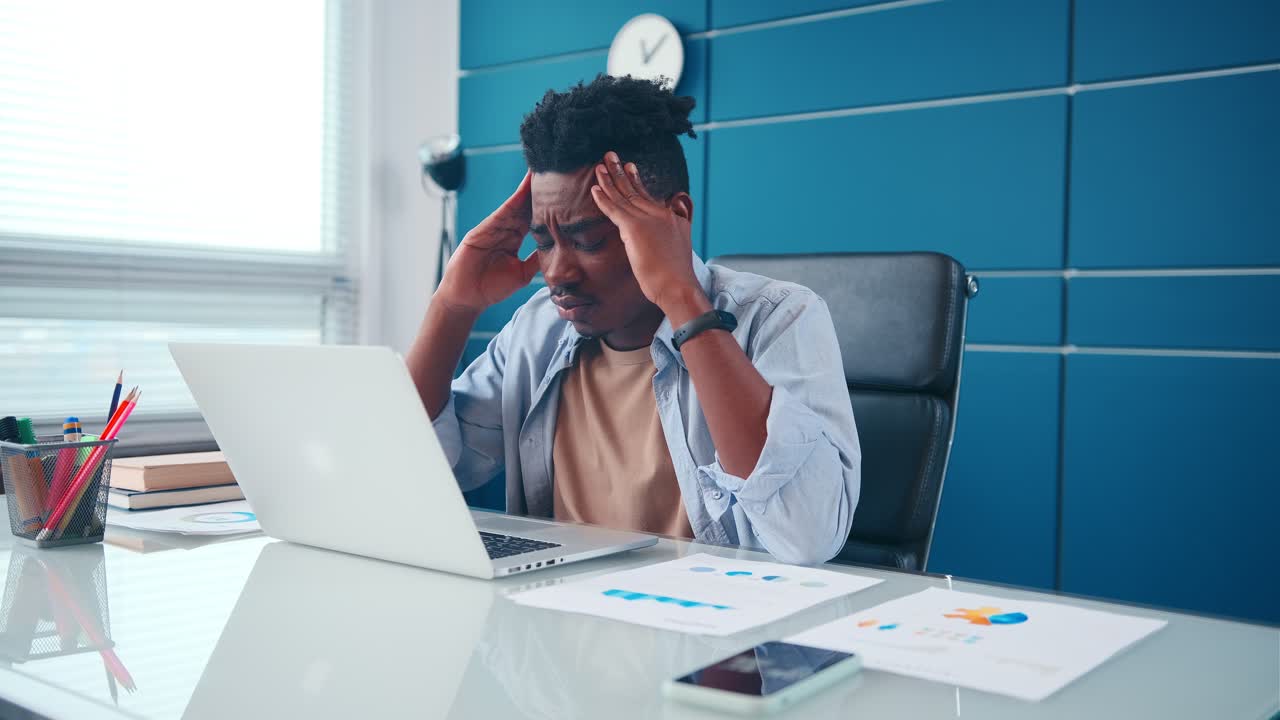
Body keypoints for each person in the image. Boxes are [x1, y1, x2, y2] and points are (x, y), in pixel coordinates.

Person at [406, 75, 860, 565]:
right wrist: (451, 307)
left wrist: (680, 294)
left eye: (588, 240)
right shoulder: (537, 330)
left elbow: (809, 535)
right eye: (542, 242)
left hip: (712, 629)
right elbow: (412, 477)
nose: (556, 272)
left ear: (676, 218)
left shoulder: (779, 319)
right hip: (560, 625)